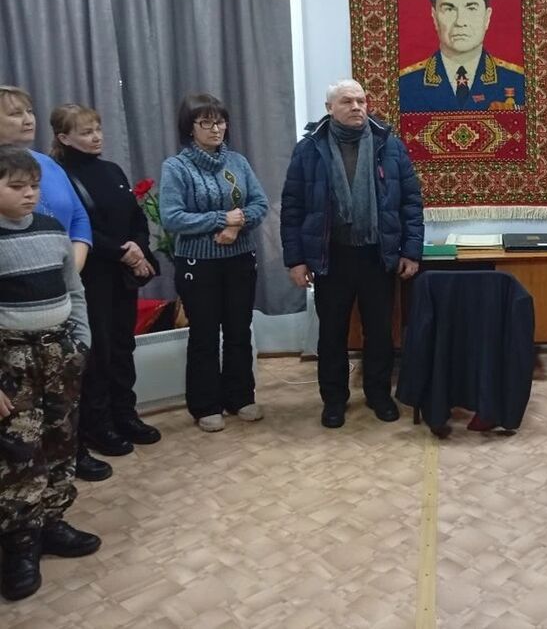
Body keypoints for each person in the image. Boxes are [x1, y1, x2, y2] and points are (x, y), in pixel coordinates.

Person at [281, 79, 424, 428]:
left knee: (380, 331)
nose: (357, 107)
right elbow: (292, 208)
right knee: (332, 333)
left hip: (378, 254)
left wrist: (411, 250)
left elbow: (410, 201)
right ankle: (334, 400)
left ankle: (378, 394)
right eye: (347, 101)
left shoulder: (388, 144)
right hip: (330, 256)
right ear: (330, 108)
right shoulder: (309, 149)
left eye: (361, 100)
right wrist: (296, 260)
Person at [0, 147, 100, 601]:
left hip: (59, 352)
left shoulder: (51, 229)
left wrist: (82, 341)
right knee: (20, 452)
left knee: (62, 439)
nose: (29, 194)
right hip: (11, 361)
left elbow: (73, 289)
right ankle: (20, 543)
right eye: (16, 186)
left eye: (34, 186)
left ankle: (53, 522)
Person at [0, 86, 108, 481]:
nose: (28, 119)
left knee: (62, 411)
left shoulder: (47, 164)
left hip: (60, 293)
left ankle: (70, 462)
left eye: (29, 110)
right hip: (13, 335)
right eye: (15, 113)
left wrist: (67, 268)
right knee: (20, 439)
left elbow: (78, 218)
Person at [51, 104, 162, 467]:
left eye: (97, 129)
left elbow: (136, 217)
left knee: (122, 345)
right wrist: (122, 252)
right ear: (64, 138)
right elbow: (75, 228)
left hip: (123, 275)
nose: (96, 137)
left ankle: (125, 414)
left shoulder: (112, 169)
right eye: (86, 132)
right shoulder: (60, 175)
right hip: (92, 274)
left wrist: (138, 247)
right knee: (98, 351)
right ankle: (98, 425)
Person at [159, 93, 268, 433]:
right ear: (190, 128)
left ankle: (240, 397)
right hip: (198, 264)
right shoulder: (176, 167)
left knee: (239, 331)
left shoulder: (238, 162)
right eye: (205, 122)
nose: (215, 129)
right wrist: (221, 219)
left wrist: (236, 226)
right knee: (204, 335)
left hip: (240, 260)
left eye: (219, 121)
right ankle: (206, 404)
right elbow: (172, 217)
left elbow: (260, 203)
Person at [398, 0, 526, 112]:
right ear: (434, 17)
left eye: (471, 8)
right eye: (449, 9)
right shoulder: (404, 85)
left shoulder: (519, 82)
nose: (460, 22)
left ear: (487, 17)